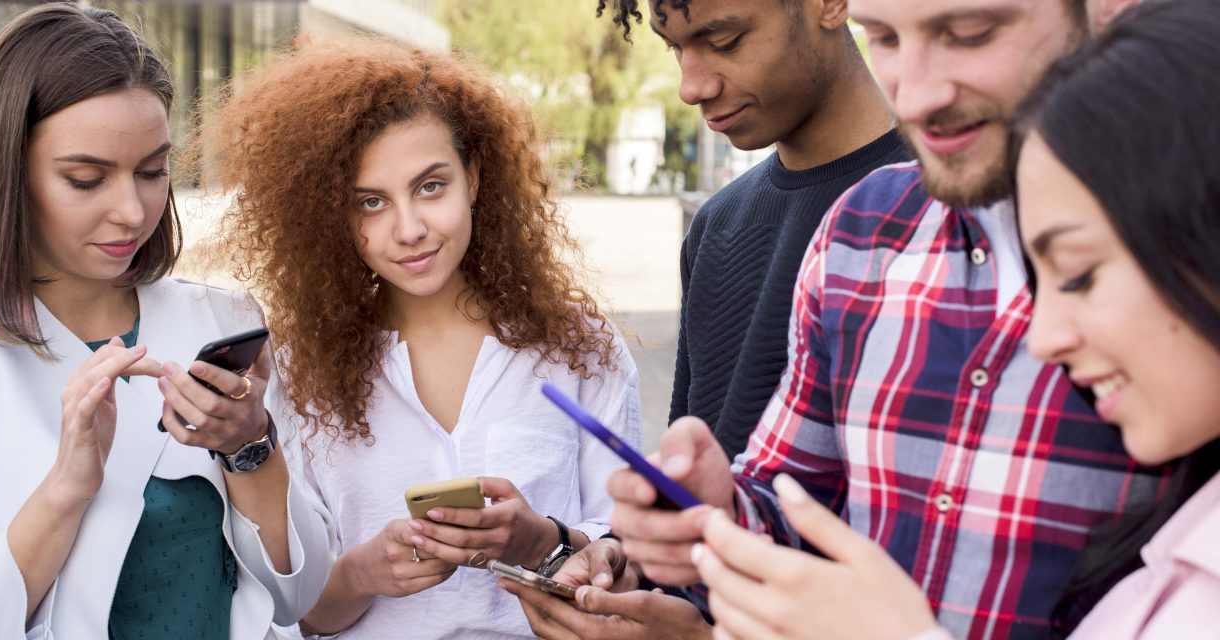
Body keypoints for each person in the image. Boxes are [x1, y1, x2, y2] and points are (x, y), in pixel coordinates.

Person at [603, 0, 1165, 637]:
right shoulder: (862, 228)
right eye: (886, 39)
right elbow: (789, 506)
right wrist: (711, 514)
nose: (916, 96)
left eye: (969, 34)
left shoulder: (1176, 253)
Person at [199, 36, 641, 639]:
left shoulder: (580, 349)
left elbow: (633, 568)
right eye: (371, 202)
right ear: (333, 215)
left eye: (431, 186)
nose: (408, 229)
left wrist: (543, 542)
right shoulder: (300, 372)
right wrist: (363, 572)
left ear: (475, 178)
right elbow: (298, 612)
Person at [505, 0, 907, 634]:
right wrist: (632, 564)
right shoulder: (720, 224)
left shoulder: (946, 209)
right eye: (675, 48)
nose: (693, 85)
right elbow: (698, 484)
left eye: (724, 39)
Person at [0, 4, 334, 638]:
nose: (131, 210)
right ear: (6, 172)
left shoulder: (222, 319)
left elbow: (301, 596)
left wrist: (250, 447)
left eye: (152, 171)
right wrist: (66, 490)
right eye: (87, 179)